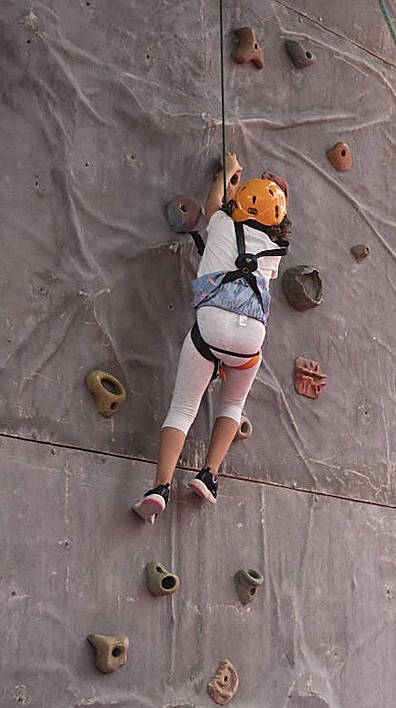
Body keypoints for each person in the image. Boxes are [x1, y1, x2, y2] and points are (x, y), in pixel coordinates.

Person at [134, 152, 290, 521]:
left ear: (238, 205)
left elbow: (213, 202)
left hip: (211, 330)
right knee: (232, 405)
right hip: (250, 339)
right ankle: (209, 474)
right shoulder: (277, 252)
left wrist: (229, 172)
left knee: (184, 408)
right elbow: (277, 222)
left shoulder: (220, 223)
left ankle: (160, 487)